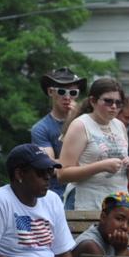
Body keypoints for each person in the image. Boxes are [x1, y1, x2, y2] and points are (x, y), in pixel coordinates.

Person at [57, 77, 129, 210]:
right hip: (86, 203)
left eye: (118, 103)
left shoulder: (120, 126)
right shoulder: (80, 125)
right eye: (108, 101)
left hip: (117, 204)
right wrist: (100, 166)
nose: (114, 106)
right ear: (93, 101)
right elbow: (62, 174)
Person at [31, 66, 86, 203]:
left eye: (73, 93)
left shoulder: (87, 122)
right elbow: (49, 167)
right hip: (57, 195)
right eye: (62, 92)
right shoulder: (41, 128)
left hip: (85, 190)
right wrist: (70, 121)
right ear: (51, 91)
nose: (67, 97)